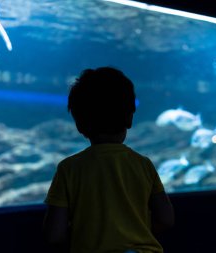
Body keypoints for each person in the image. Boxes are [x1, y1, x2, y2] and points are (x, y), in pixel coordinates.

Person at [43, 67, 175, 253]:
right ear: (130, 118)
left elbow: (54, 234)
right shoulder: (143, 164)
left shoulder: (69, 169)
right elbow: (166, 219)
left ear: (80, 125)